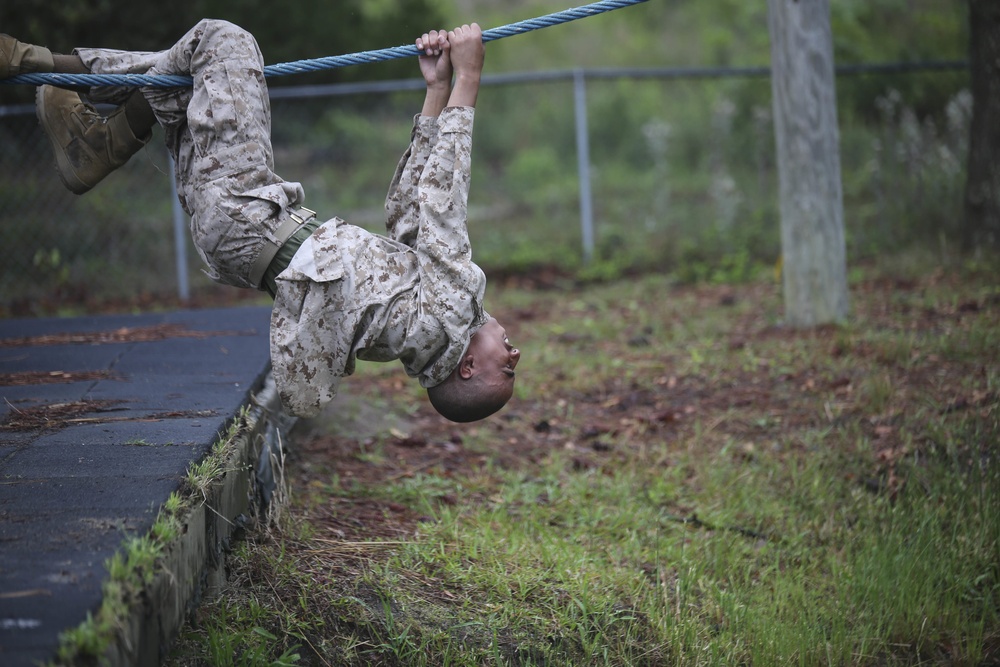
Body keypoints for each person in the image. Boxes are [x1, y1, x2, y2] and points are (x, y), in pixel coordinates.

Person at [0, 21, 520, 422]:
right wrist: (437, 89)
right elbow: (409, 215)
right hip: (240, 230)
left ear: (467, 366)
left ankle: (38, 69)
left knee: (224, 43)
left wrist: (469, 79)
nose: (515, 349)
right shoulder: (417, 327)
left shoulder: (450, 318)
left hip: (247, 215)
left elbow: (442, 200)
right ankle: (90, 134)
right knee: (182, 83)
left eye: (509, 363)